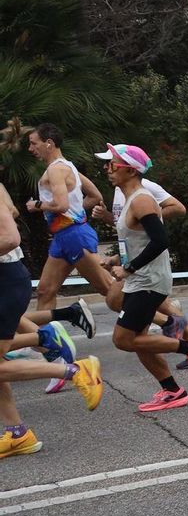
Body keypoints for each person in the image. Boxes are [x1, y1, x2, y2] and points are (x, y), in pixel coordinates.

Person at [101, 144, 188, 412]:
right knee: (139, 340)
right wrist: (117, 260)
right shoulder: (129, 198)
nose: (107, 168)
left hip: (148, 280)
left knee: (123, 339)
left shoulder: (141, 199)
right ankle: (173, 391)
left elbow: (160, 240)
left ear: (130, 170)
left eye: (112, 164)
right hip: (141, 278)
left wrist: (128, 269)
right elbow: (138, 240)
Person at [0, 181, 103, 460]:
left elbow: (10, 237)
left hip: (5, 282)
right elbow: (12, 210)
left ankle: (75, 370)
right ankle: (17, 433)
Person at [22, 124, 102, 339]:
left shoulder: (56, 169)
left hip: (74, 235)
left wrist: (37, 205)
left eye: (33, 143)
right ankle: (45, 343)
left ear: (48, 143)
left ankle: (165, 316)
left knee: (107, 288)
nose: (30, 149)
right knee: (45, 291)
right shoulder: (69, 167)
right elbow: (95, 195)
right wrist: (76, 214)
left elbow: (61, 205)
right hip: (63, 237)